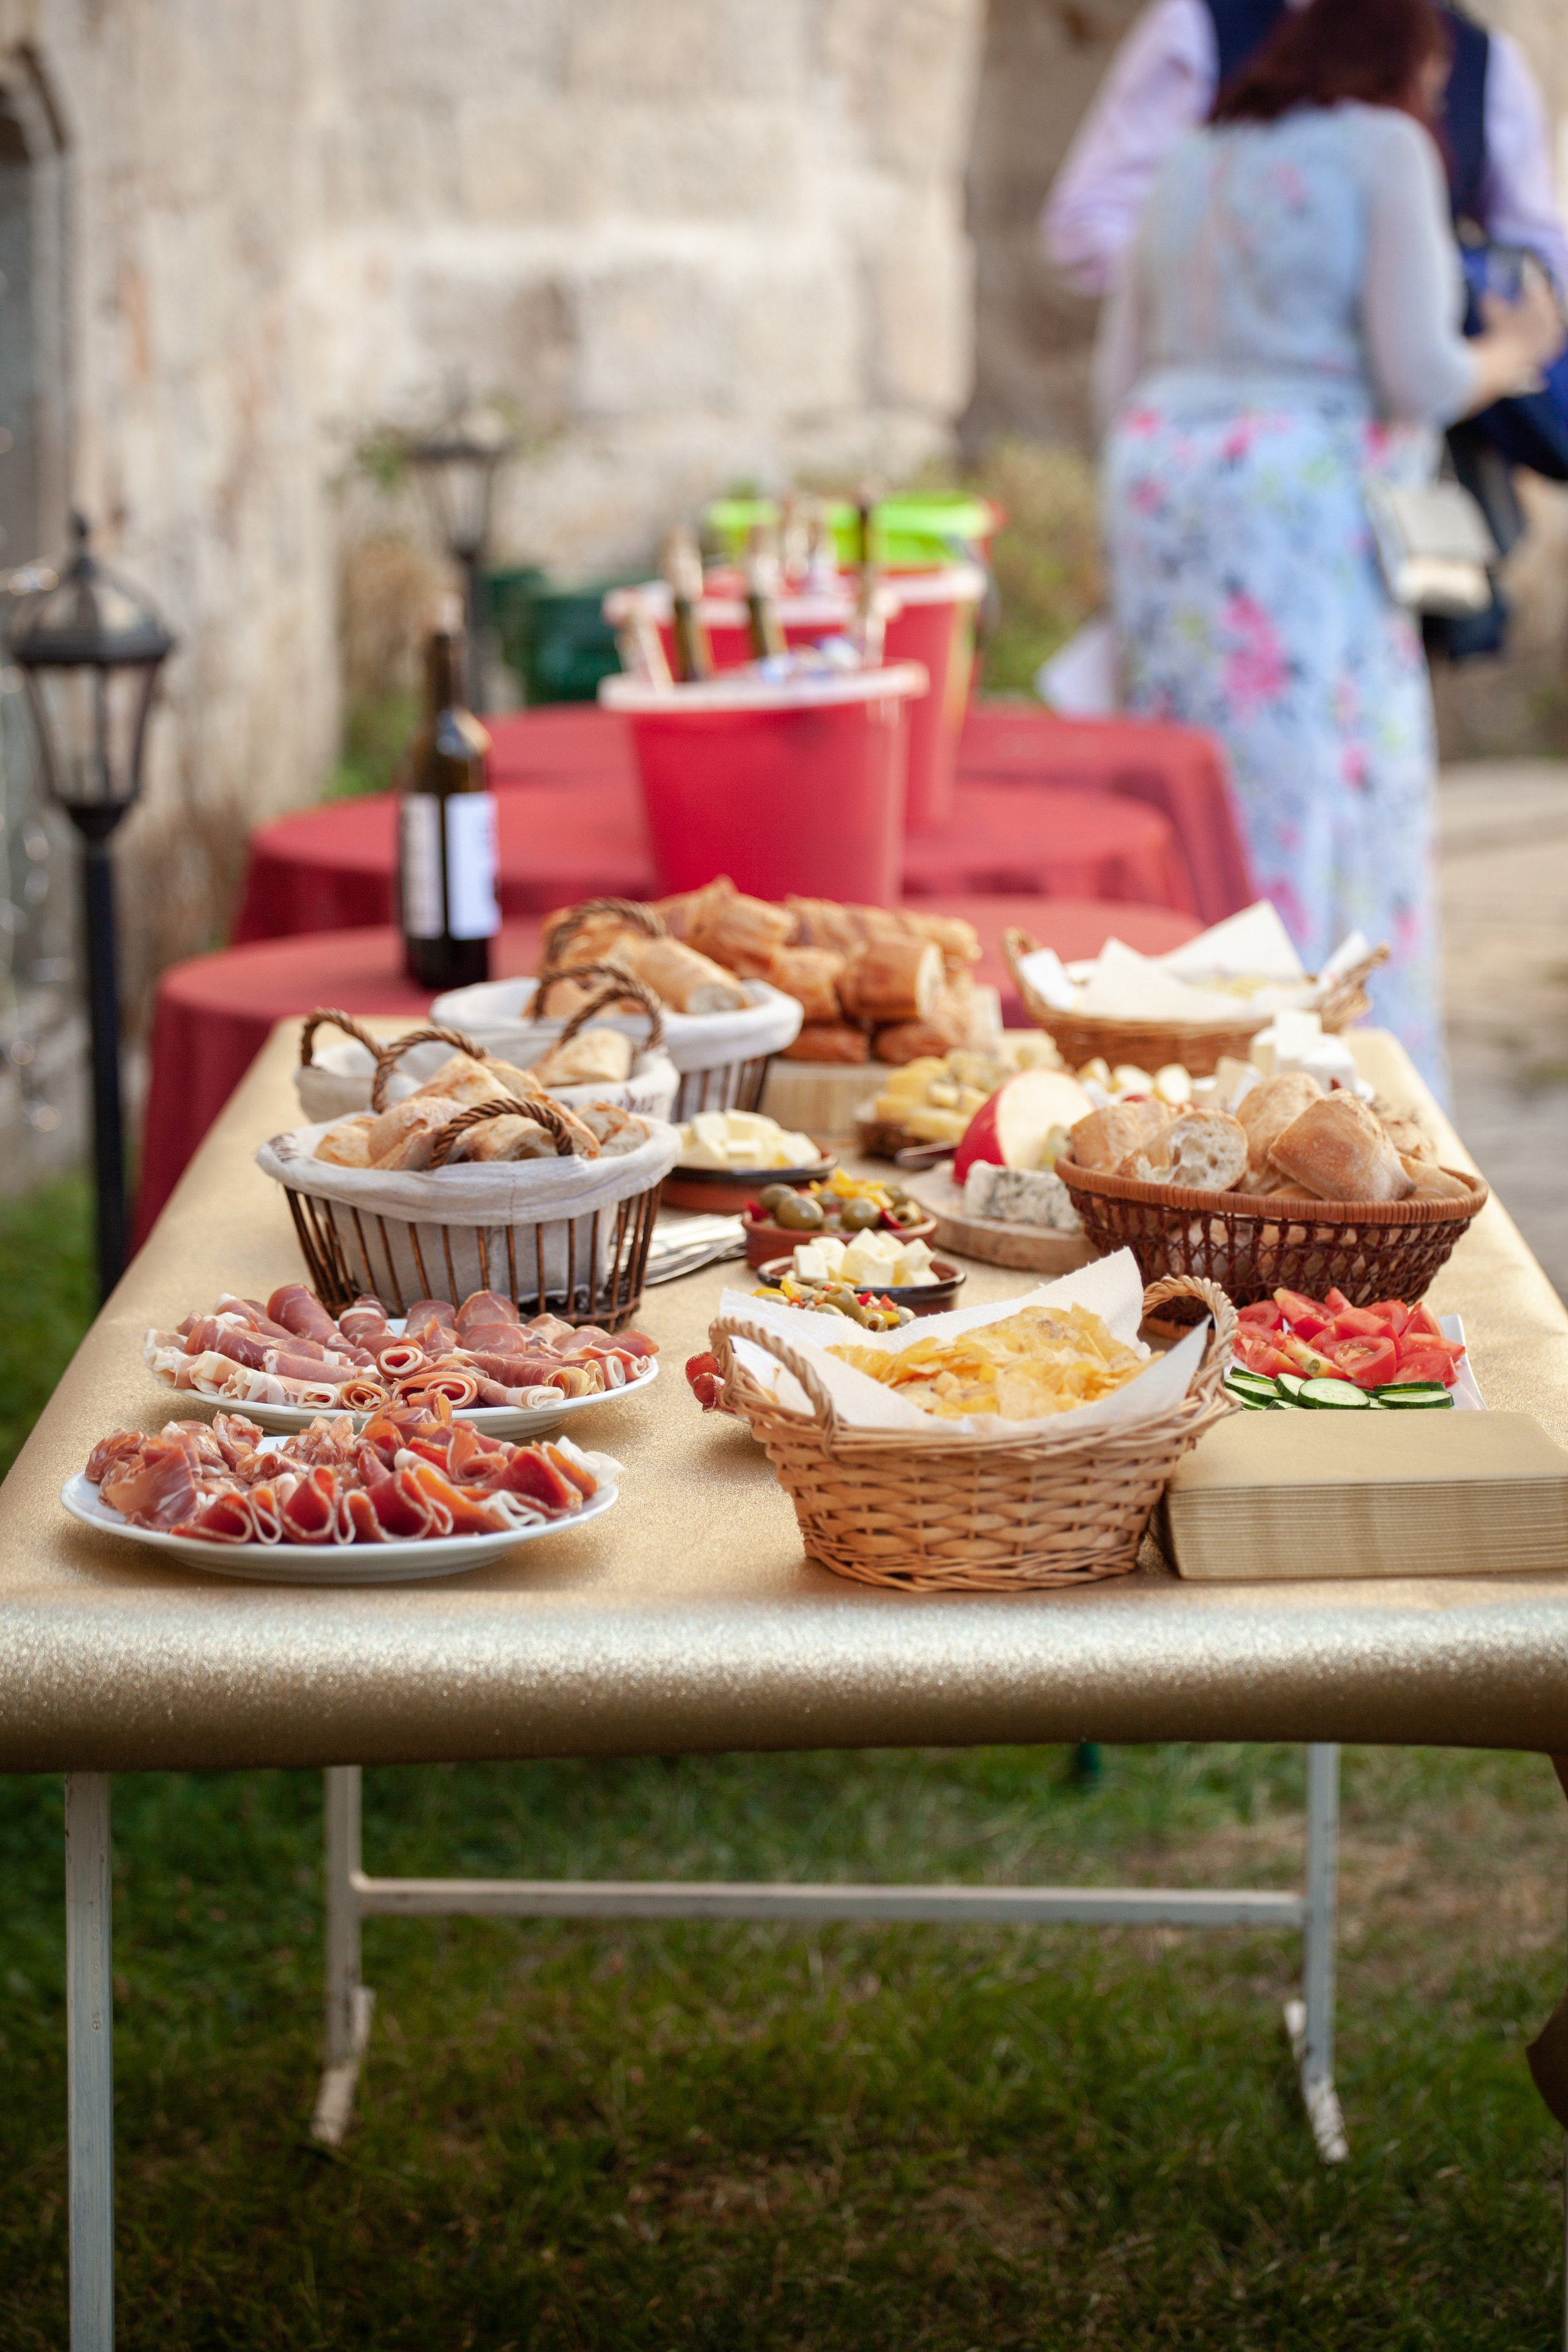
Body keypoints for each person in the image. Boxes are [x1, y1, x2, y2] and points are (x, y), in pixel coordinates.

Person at [1096, 0, 1562, 1087]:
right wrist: (1509, 355)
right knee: (1325, 805)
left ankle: (1184, 1068)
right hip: (1302, 508)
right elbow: (1416, 373)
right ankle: (1333, 1086)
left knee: (1199, 793)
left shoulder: (1192, 158)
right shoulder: (1385, 146)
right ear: (1403, 55)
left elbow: (1119, 379)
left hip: (1164, 488)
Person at [1043, 0, 1568, 298]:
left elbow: (1540, 248)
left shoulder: (1483, 59)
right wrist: (1237, 300)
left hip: (1431, 458)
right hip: (1237, 419)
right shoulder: (1206, 24)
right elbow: (1090, 222)